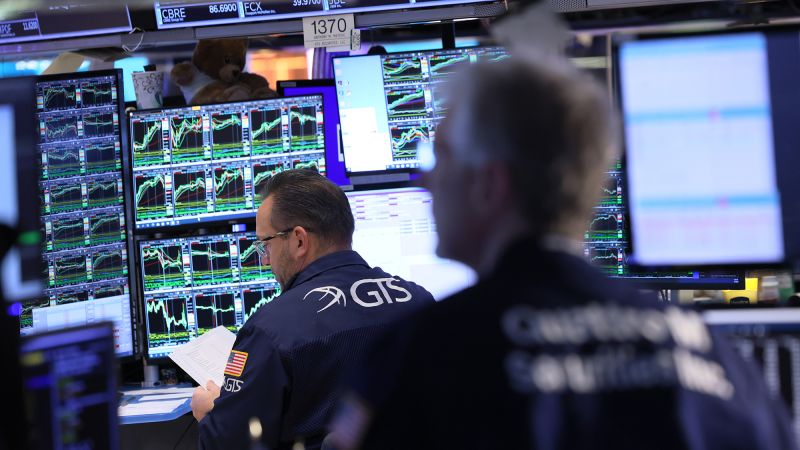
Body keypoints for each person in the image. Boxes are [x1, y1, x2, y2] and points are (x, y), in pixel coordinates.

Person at [327, 58, 798, 449]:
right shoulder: (708, 352)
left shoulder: (425, 351)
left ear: (490, 184)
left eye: (440, 157)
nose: (425, 181)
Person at [191, 170, 434, 450]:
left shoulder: (270, 331)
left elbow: (228, 444)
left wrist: (210, 414)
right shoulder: (421, 303)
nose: (265, 260)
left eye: (265, 245)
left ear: (299, 240)